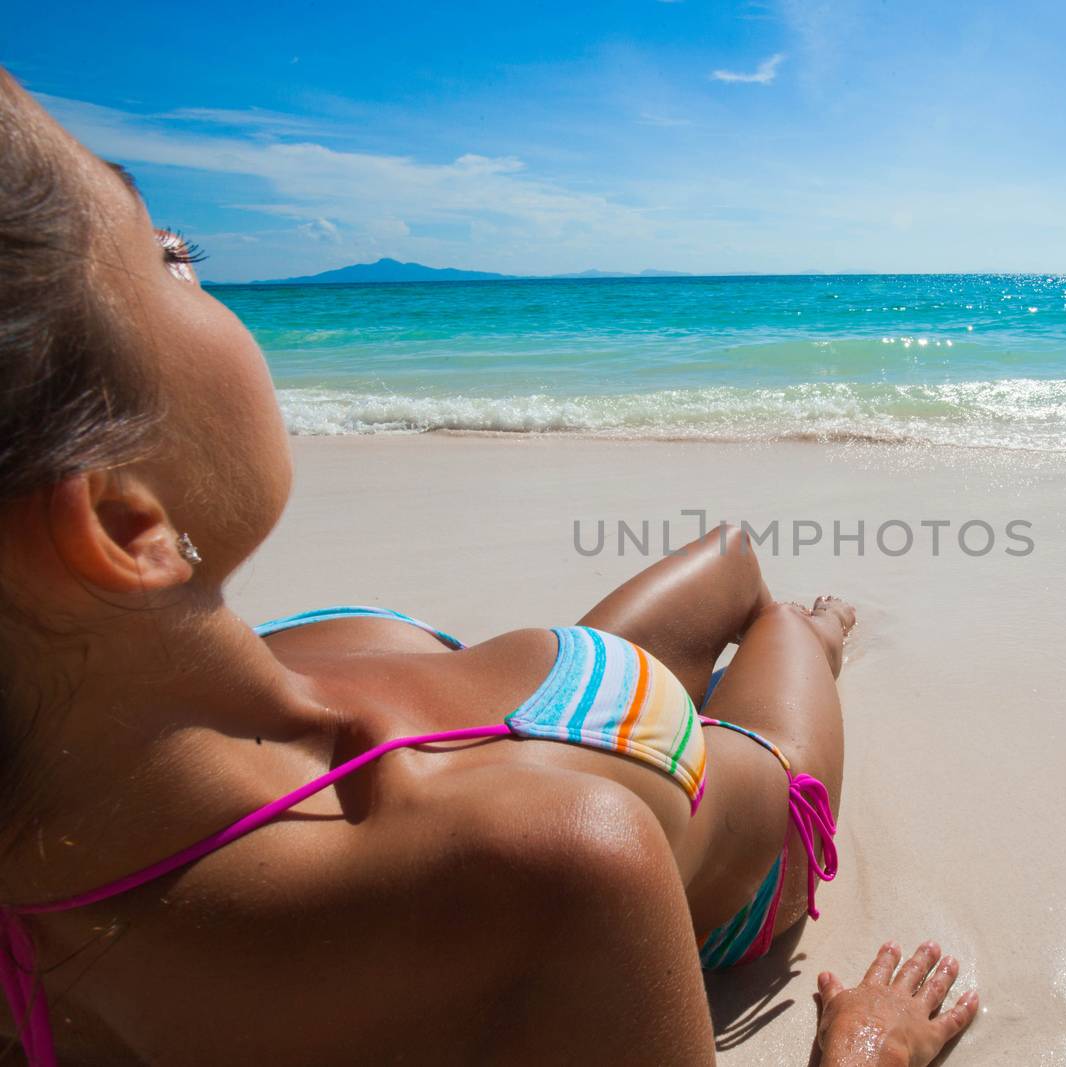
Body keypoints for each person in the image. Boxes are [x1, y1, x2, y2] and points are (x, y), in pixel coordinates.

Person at [0, 69, 978, 1065]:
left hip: (541, 719)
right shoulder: (559, 869)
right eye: (170, 257)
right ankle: (814, 636)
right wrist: (868, 1045)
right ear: (129, 526)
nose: (200, 271)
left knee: (727, 554)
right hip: (722, 817)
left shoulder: (91, 752)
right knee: (787, 622)